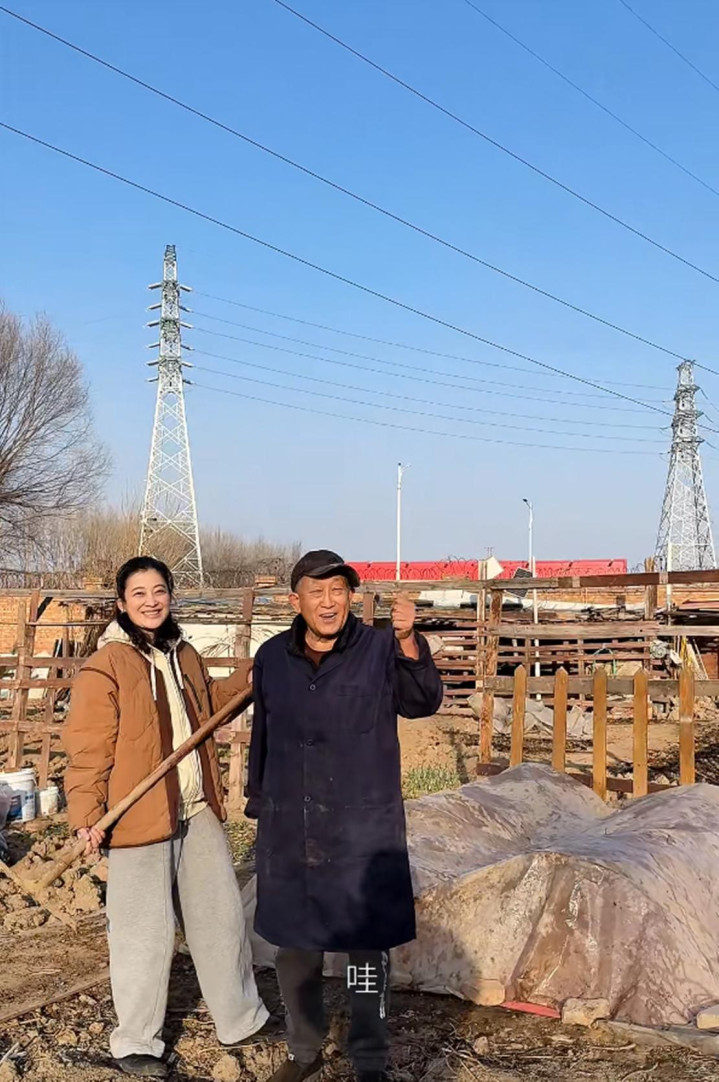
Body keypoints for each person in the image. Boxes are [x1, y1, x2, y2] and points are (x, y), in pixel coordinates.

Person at [63, 556, 268, 1078]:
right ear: (121, 603)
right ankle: (135, 1041)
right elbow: (88, 748)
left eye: (159, 591)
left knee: (221, 918)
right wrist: (87, 813)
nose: (151, 601)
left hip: (195, 808)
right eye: (139, 593)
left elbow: (207, 707)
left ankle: (240, 1019)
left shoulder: (184, 654)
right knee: (143, 932)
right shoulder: (108, 664)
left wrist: (249, 677)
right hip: (137, 817)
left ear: (170, 596)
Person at [245, 550, 444, 1082]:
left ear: (351, 597)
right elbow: (263, 735)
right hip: (293, 823)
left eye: (338, 590)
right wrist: (259, 800)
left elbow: (423, 701)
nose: (329, 602)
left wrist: (408, 641)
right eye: (317, 592)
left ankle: (369, 1057)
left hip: (360, 829)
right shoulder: (272, 657)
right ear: (296, 601)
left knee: (364, 951)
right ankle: (304, 1050)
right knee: (295, 950)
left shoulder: (379, 648)